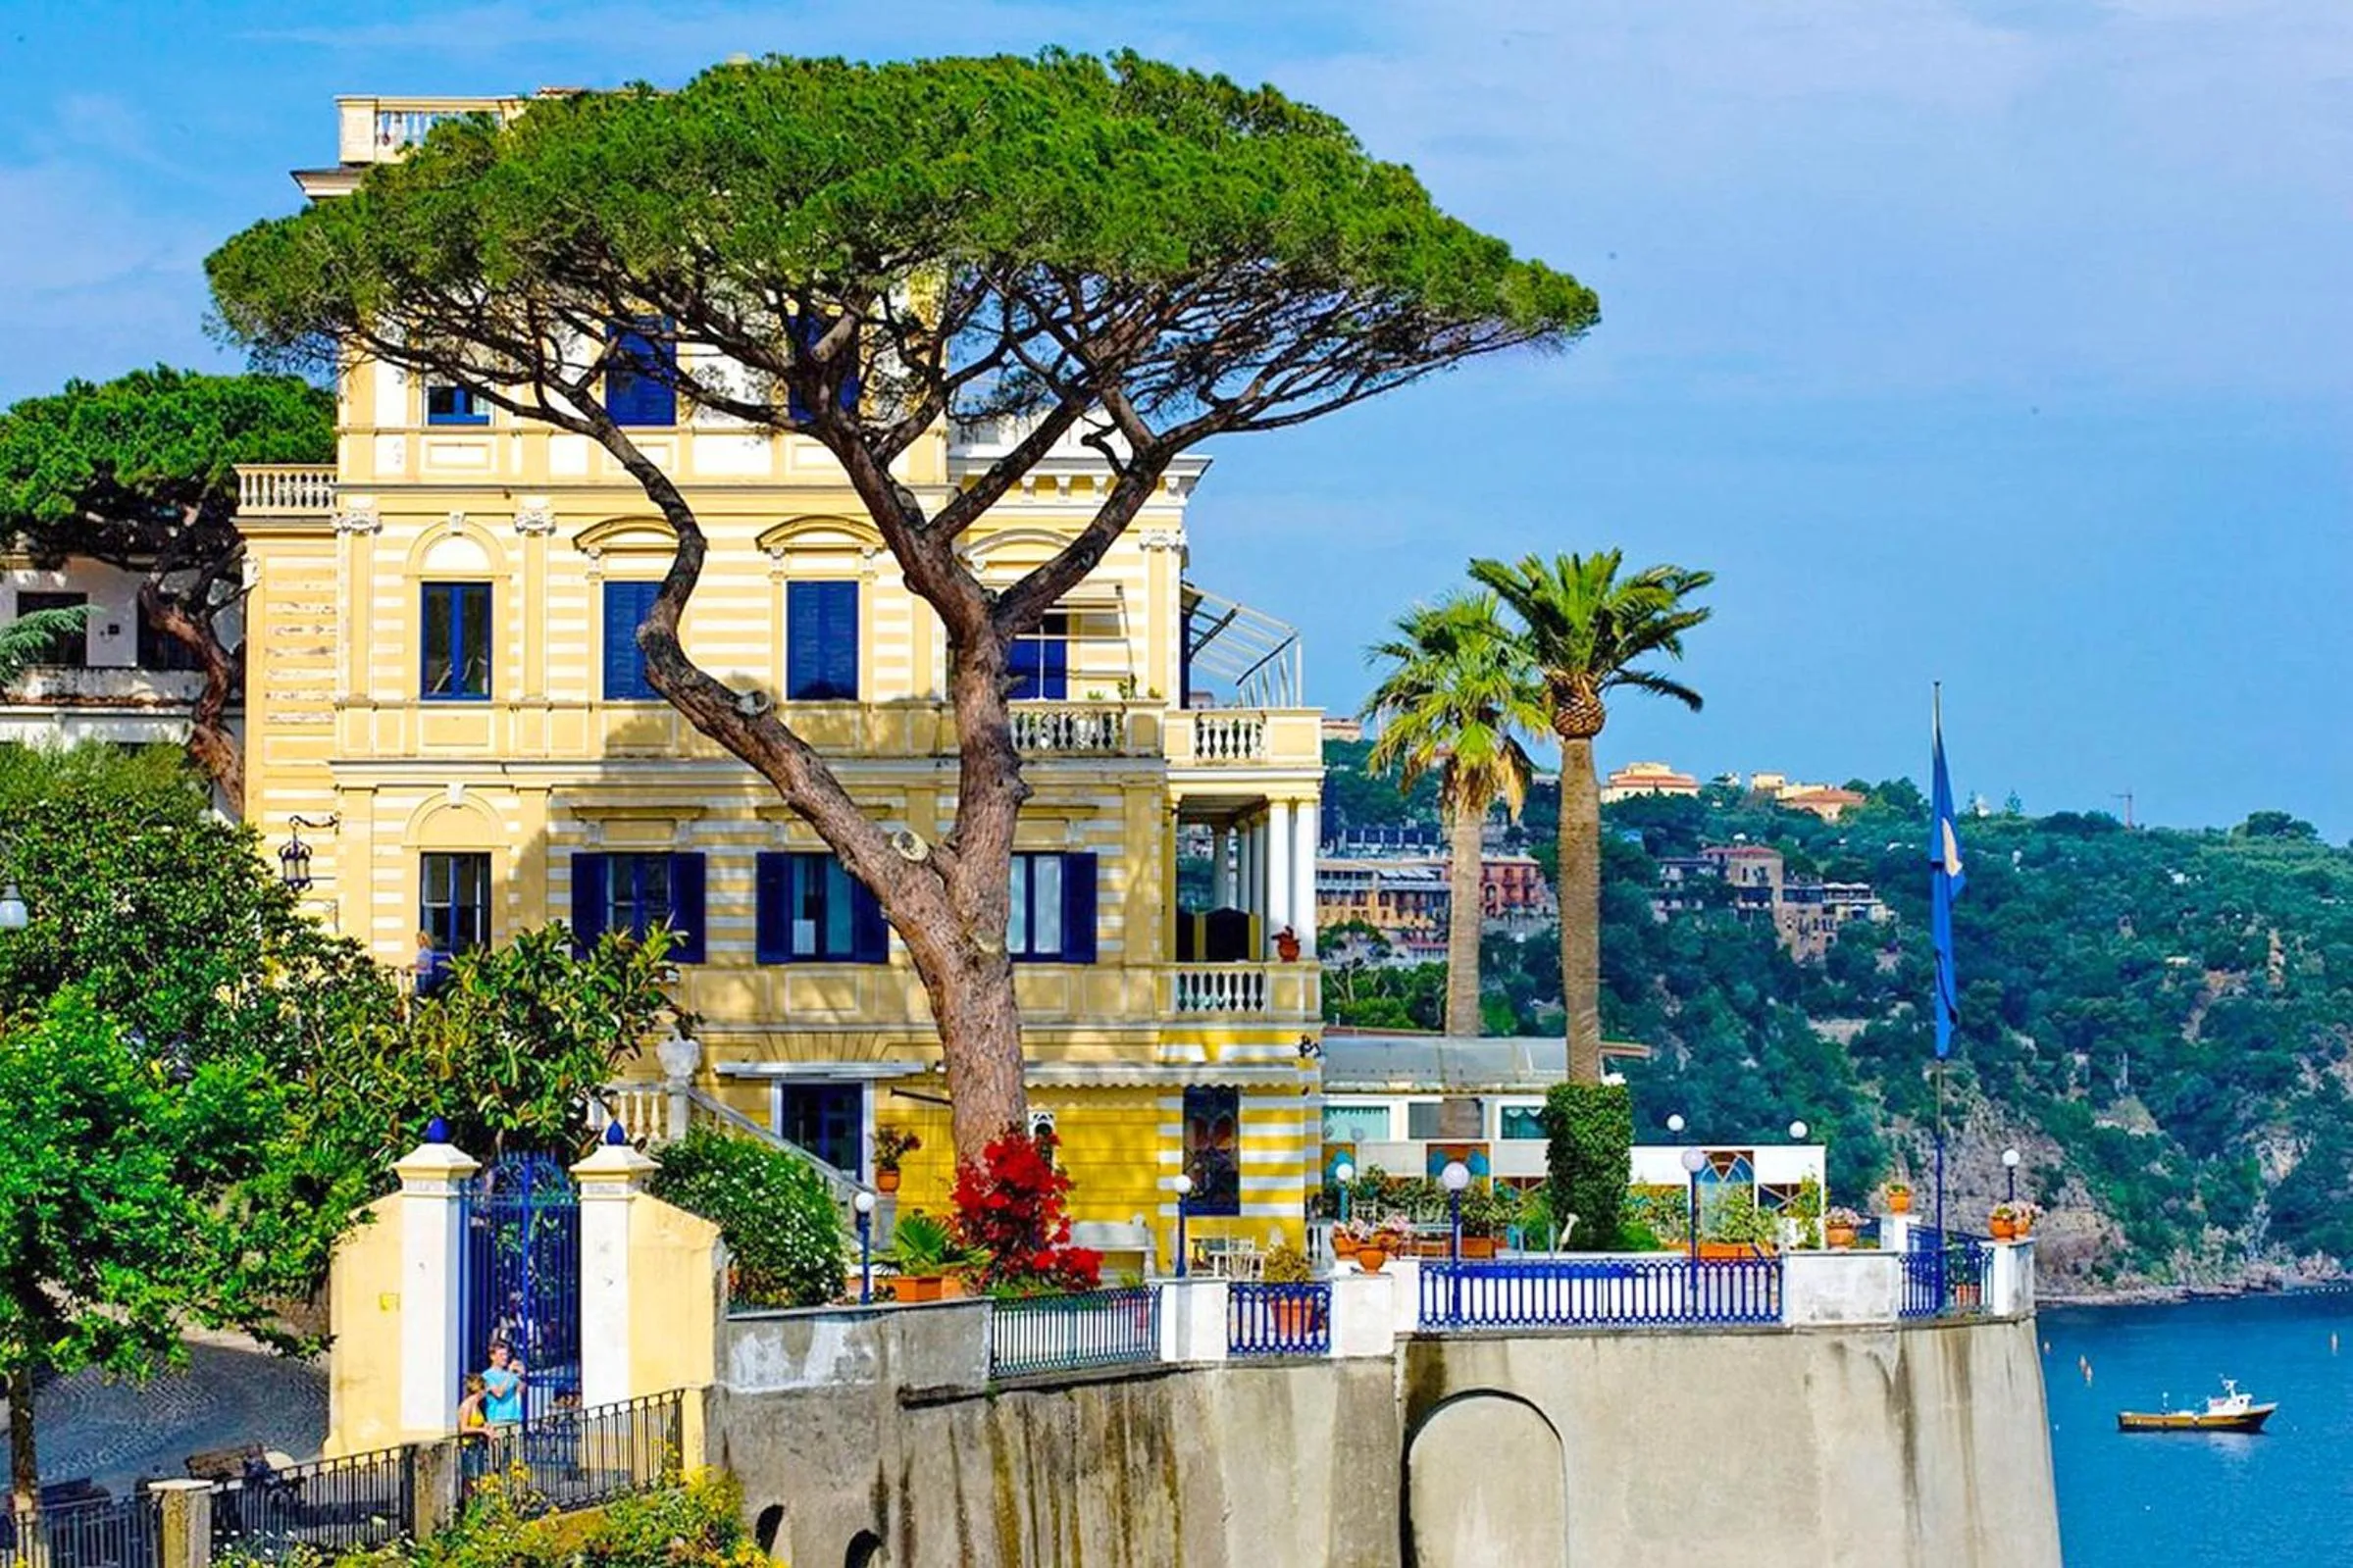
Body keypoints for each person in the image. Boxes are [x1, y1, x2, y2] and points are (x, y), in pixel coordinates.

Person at [481, 1341, 527, 1430]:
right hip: (498, 1420)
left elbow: (521, 1391)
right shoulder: (487, 1375)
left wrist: (522, 1376)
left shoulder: (510, 1374)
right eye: (501, 1355)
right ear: (492, 1356)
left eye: (506, 1354)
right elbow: (499, 1394)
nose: (505, 1358)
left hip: (514, 1419)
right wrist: (509, 1373)